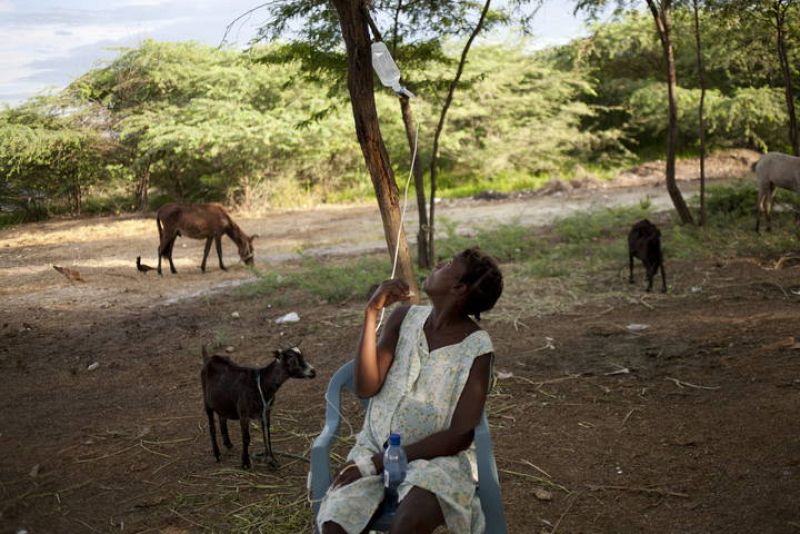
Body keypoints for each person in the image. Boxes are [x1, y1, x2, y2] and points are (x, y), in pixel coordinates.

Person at [317, 246, 504, 534]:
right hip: (374, 448)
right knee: (334, 524)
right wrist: (371, 313)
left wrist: (379, 463)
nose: (438, 264)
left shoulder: (477, 347)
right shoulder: (404, 318)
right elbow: (366, 387)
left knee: (409, 523)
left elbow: (460, 434)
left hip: (437, 461)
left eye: (448, 264)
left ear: (458, 288)